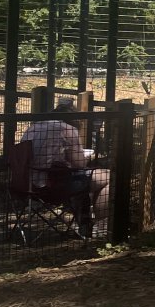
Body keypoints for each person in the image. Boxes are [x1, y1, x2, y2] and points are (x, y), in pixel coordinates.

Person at [19, 98, 111, 236]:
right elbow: (79, 164)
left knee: (81, 178)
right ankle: (100, 226)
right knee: (108, 177)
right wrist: (87, 157)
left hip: (25, 184)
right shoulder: (68, 129)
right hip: (52, 186)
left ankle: (83, 221)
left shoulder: (33, 127)